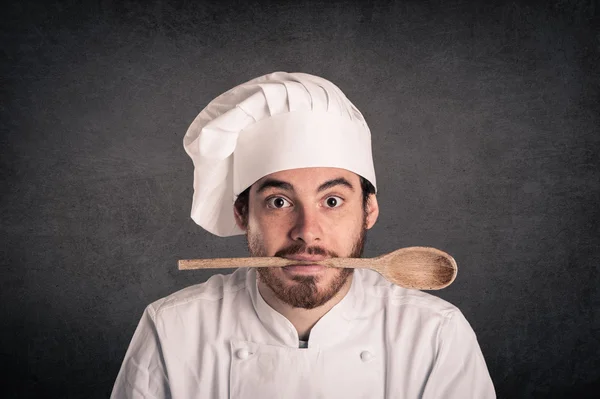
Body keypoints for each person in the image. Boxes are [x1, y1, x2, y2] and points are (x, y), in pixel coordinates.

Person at [111, 72, 496, 398]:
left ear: (369, 211)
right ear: (242, 213)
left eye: (332, 200)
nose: (307, 232)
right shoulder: (173, 329)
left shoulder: (436, 336)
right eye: (279, 202)